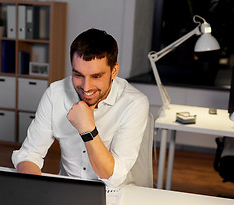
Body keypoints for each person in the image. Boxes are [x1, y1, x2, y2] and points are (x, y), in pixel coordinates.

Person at [12, 28, 149, 188]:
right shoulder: (55, 94)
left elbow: (113, 177)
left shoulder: (134, 103)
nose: (86, 87)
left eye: (96, 76)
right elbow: (29, 154)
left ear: (114, 70)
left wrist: (88, 130)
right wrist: (35, 190)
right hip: (67, 190)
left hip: (114, 193)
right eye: (78, 75)